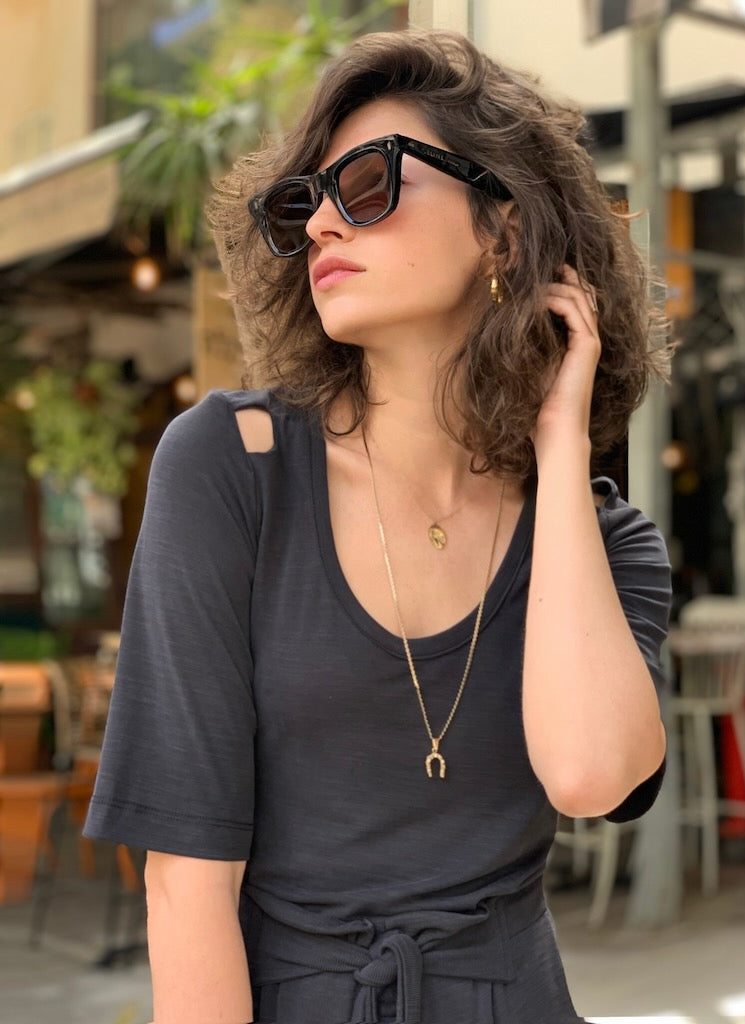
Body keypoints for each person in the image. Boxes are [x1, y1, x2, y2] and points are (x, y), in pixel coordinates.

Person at [85, 28, 672, 1024]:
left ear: (504, 231)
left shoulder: (605, 543)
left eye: (368, 183)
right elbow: (185, 884)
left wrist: (562, 446)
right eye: (305, 202)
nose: (322, 223)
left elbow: (589, 777)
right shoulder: (231, 468)